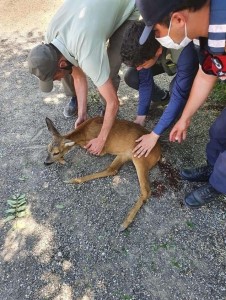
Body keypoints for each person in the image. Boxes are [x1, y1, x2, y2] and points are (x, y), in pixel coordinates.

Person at [136, 0, 226, 208]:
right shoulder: (200, 34)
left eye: (157, 33)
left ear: (177, 19)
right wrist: (185, 118)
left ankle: (219, 184)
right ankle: (213, 168)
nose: (158, 39)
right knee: (219, 131)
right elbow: (206, 75)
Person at [28, 0, 139, 155]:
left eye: (55, 78)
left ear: (61, 64)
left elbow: (114, 102)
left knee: (110, 71)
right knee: (72, 71)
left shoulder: (86, 53)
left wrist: (101, 139)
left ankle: (106, 110)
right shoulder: (50, 40)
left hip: (125, 8)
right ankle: (94, 108)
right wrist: (82, 114)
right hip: (92, 17)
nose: (58, 80)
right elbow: (78, 77)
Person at [120, 20, 199, 157]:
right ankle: (162, 98)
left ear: (158, 50)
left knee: (176, 89)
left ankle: (175, 119)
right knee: (133, 76)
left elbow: (179, 94)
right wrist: (141, 116)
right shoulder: (143, 38)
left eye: (141, 64)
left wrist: (154, 135)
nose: (138, 67)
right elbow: (144, 81)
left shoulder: (184, 51)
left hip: (191, 65)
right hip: (163, 57)